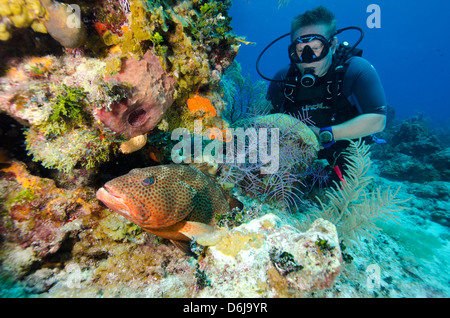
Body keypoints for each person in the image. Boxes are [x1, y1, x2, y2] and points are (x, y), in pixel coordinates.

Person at [266, 6, 387, 184]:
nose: (308, 58)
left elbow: (377, 120)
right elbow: (266, 122)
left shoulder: (356, 70)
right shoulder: (283, 79)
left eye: (316, 48)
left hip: (345, 152)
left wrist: (324, 134)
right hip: (295, 157)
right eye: (300, 50)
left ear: (333, 45)